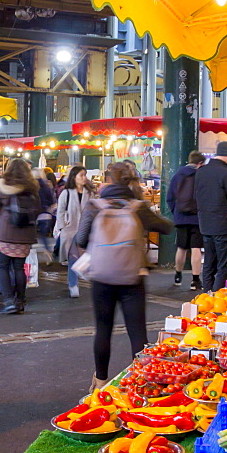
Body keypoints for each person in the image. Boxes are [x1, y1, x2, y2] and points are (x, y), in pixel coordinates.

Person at [76, 161, 173, 387]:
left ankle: (100, 380)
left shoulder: (94, 206)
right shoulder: (137, 206)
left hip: (102, 277)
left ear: (108, 180)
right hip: (132, 277)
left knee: (103, 329)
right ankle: (141, 382)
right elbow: (166, 227)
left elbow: (80, 239)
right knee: (137, 331)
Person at [0, 158, 41, 314]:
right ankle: (20, 301)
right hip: (25, 236)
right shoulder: (32, 189)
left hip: (5, 234)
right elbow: (38, 210)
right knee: (19, 268)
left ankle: (8, 301)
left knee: (2, 267)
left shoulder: (4, 187)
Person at [194, 141, 227, 292]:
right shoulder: (225, 172)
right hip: (222, 225)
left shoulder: (201, 171)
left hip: (205, 224)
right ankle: (217, 297)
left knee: (209, 263)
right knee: (223, 265)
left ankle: (205, 296)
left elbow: (196, 196)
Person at [166, 150, 205, 290]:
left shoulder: (178, 175)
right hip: (197, 218)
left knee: (181, 248)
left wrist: (176, 212)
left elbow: (169, 197)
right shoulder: (201, 176)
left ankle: (178, 275)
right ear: (200, 163)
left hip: (181, 217)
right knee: (196, 248)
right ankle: (195, 280)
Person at [54, 165, 93, 298]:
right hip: (70, 229)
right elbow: (60, 210)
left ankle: (79, 278)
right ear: (74, 177)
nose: (84, 178)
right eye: (81, 175)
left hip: (86, 229)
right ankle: (73, 284)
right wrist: (62, 226)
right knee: (72, 258)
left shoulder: (89, 192)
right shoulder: (67, 193)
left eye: (85, 175)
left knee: (84, 256)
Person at [32, 167, 56, 255]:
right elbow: (52, 200)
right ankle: (48, 252)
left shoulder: (31, 186)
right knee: (44, 236)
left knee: (31, 235)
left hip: (34, 214)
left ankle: (30, 256)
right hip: (46, 214)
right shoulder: (47, 185)